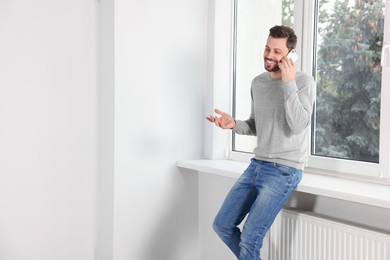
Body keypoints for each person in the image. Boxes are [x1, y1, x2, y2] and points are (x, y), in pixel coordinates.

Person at [206, 25, 316, 260]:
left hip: (285, 170)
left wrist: (288, 83)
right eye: (267, 48)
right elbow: (256, 125)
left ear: (291, 54)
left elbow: (298, 124)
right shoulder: (258, 83)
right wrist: (233, 124)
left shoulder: (304, 81)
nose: (269, 55)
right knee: (222, 225)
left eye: (277, 51)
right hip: (257, 165)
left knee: (250, 238)